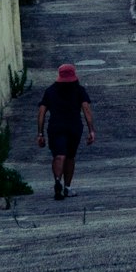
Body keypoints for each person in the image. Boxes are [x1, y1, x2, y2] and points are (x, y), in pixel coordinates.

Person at [36, 63, 95, 200]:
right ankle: (67, 187)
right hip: (74, 127)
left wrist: (40, 133)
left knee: (59, 155)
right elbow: (86, 109)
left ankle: (57, 180)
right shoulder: (79, 90)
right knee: (70, 157)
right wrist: (91, 130)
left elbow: (41, 112)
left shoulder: (50, 91)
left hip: (56, 127)